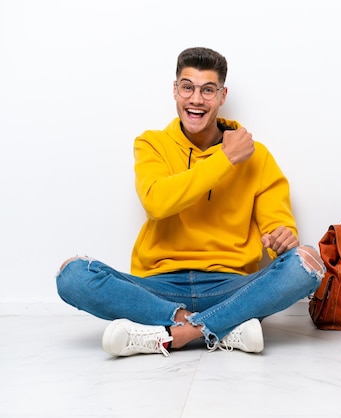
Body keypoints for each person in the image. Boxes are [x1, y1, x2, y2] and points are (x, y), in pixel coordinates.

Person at [56, 47, 325, 357]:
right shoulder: (151, 144)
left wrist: (282, 236)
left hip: (230, 287)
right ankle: (215, 328)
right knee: (72, 275)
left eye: (208, 90)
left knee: (307, 263)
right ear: (175, 91)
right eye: (188, 87)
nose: (196, 99)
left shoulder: (256, 155)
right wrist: (224, 159)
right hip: (158, 288)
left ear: (223, 96)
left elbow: (277, 224)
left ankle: (172, 334)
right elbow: (157, 202)